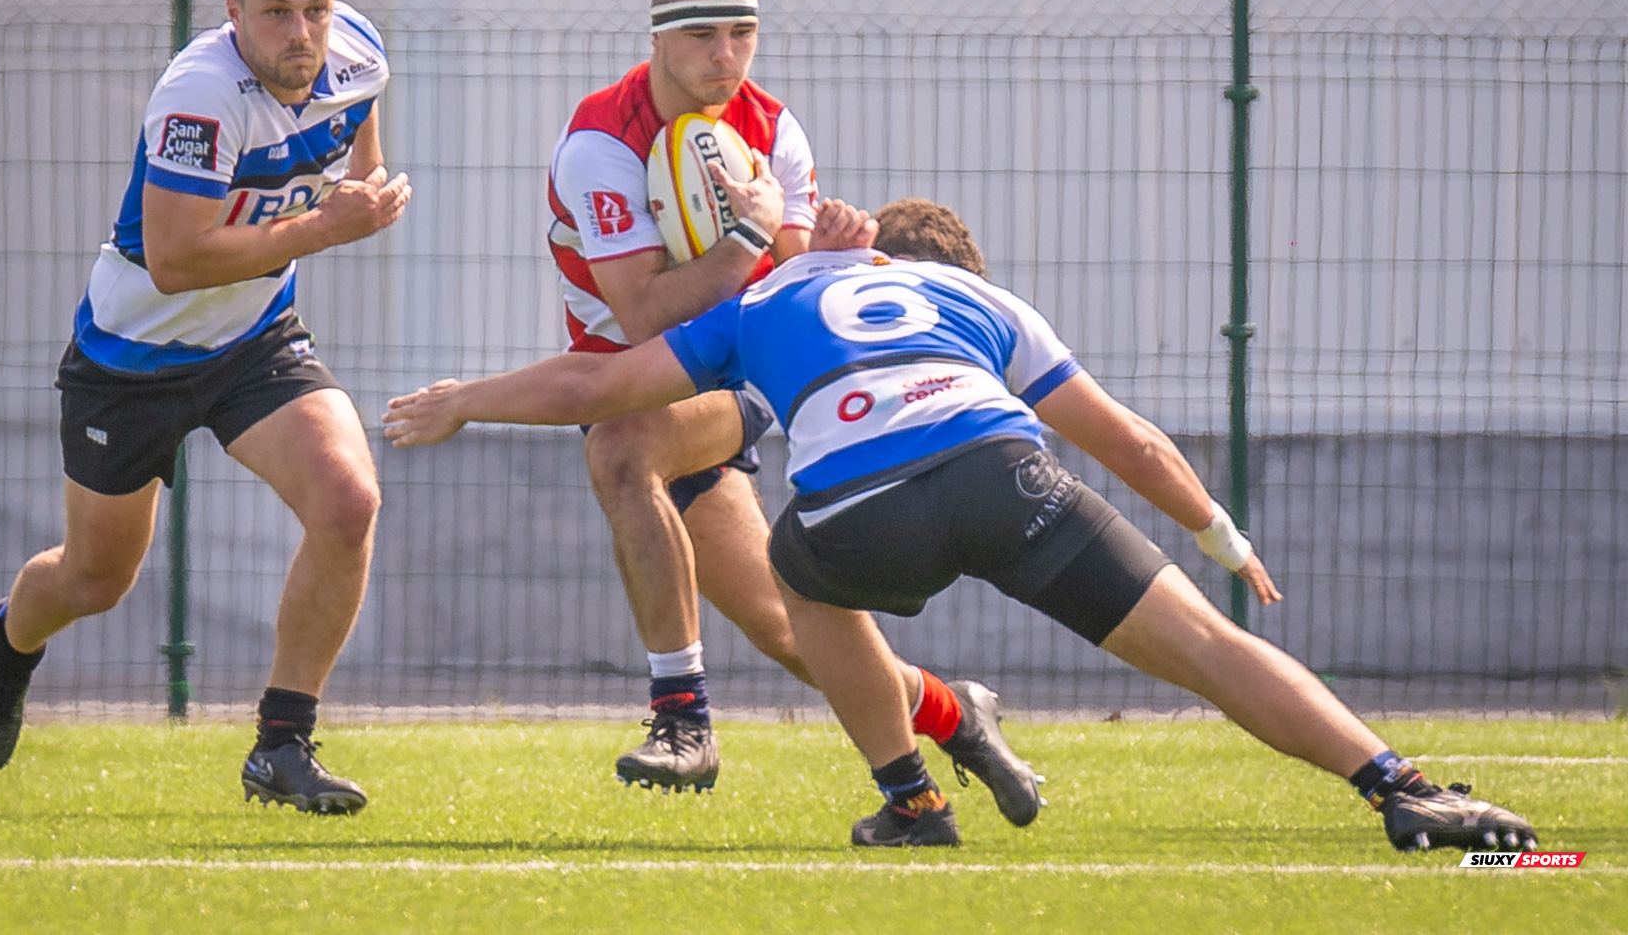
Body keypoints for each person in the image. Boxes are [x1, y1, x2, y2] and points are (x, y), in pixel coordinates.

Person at [382, 197, 1539, 853]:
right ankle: (1400, 783)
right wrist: (1221, 539)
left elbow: (600, 389)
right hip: (1003, 470)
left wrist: (461, 401)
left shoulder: (767, 297)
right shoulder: (985, 301)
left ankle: (911, 796)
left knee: (803, 578)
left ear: (867, 249)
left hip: (858, 508)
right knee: (1211, 651)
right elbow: (1130, 440)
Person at [532, 0, 1040, 816]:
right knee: (786, 626)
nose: (725, 57)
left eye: (741, 33)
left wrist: (816, 248)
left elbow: (785, 290)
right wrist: (749, 238)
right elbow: (645, 313)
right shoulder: (601, 143)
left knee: (620, 450)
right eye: (702, 36)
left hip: (732, 379)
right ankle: (954, 714)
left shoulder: (774, 131)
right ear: (657, 36)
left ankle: (682, 721)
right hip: (636, 371)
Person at [0, 0, 411, 816]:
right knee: (96, 579)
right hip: (132, 355)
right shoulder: (199, 95)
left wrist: (362, 189)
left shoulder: (358, 51)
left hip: (254, 339)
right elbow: (175, 258)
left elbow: (357, 143)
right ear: (233, 11)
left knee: (348, 499)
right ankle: (10, 647)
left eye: (317, 7)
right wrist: (324, 226)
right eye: (278, 11)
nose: (303, 32)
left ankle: (281, 743)